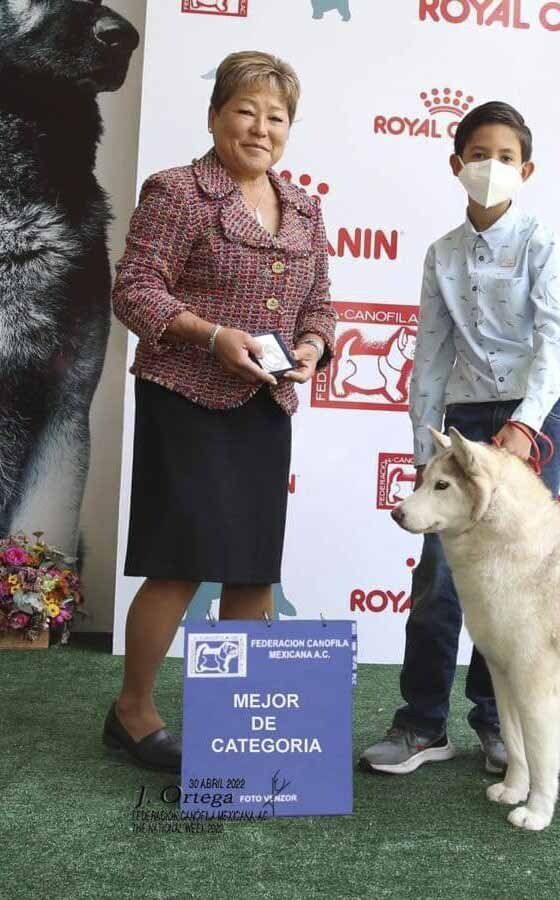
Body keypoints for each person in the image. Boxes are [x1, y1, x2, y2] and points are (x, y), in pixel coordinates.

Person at [103, 51, 336, 773]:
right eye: (246, 110)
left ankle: (230, 721)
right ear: (214, 116)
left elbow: (320, 304)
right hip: (186, 397)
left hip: (264, 406)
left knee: (250, 573)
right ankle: (131, 711)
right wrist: (211, 334)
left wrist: (311, 345)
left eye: (276, 116)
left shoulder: (304, 207)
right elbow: (134, 289)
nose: (260, 127)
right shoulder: (177, 191)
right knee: (178, 566)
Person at [360, 101, 560, 776]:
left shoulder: (540, 240)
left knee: (516, 572)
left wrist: (524, 423)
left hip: (533, 413)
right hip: (461, 419)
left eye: (505, 158)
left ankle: (497, 720)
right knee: (438, 574)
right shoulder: (441, 255)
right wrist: (427, 451)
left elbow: (557, 344)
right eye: (479, 155)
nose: (491, 168)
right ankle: (422, 723)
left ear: (527, 169)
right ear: (456, 166)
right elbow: (429, 354)